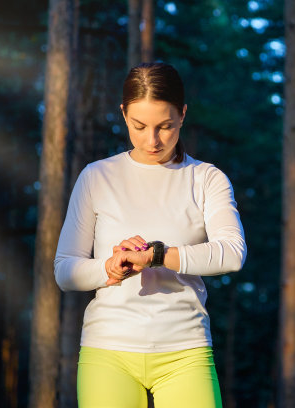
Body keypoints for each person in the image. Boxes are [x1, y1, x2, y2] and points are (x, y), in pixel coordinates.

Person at [54, 62, 247, 408]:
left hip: (185, 351)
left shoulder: (207, 178)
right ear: (124, 114)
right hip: (107, 350)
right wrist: (109, 268)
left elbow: (232, 253)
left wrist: (157, 255)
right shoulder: (96, 177)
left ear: (183, 115)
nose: (152, 140)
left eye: (166, 126)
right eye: (139, 126)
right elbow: (65, 270)